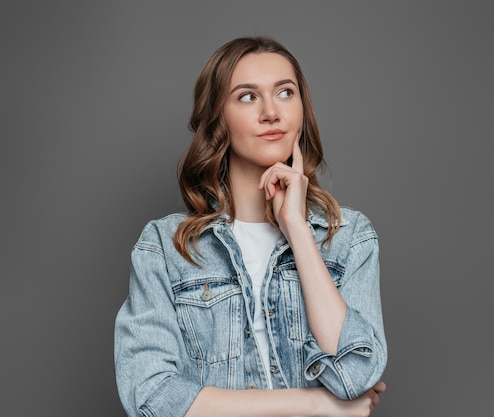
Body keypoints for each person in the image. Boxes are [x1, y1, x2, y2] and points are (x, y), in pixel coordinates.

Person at [114, 36, 387, 417]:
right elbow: (152, 397)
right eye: (247, 96)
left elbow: (356, 374)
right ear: (217, 117)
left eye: (285, 93)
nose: (271, 112)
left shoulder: (348, 237)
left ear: (302, 109)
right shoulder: (165, 247)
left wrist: (297, 229)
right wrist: (316, 404)